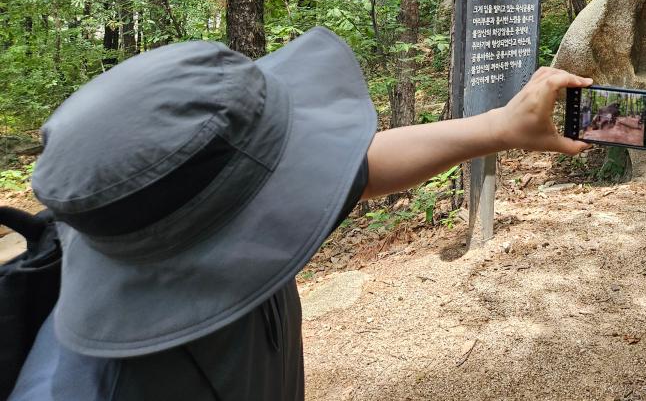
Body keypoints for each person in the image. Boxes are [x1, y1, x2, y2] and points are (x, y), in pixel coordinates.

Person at [10, 26, 591, 399]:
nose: (313, 182)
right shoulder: (87, 389)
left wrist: (499, 127)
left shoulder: (163, 217)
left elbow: (359, 169)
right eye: (289, 168)